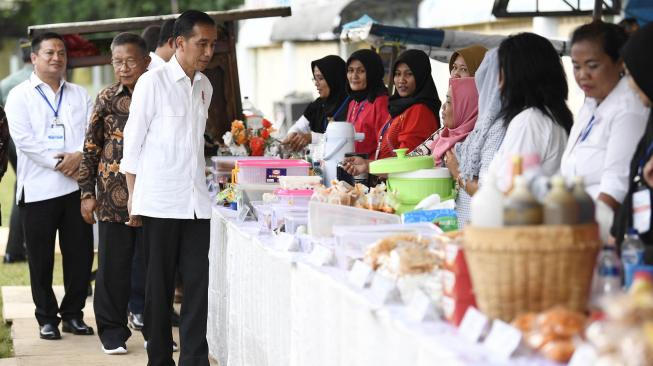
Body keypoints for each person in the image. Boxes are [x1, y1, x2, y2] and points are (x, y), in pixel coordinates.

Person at [120, 10, 217, 365]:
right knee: (157, 289)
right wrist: (133, 199)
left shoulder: (205, 86)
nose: (207, 51)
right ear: (179, 43)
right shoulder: (152, 82)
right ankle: (159, 358)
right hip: (159, 201)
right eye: (201, 43)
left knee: (197, 286)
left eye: (212, 44)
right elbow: (133, 145)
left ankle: (194, 358)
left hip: (195, 203)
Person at [4, 32, 94, 340]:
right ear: (34, 58)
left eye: (61, 53)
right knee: (40, 260)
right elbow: (25, 142)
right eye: (49, 53)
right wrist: (62, 163)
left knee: (80, 256)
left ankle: (73, 315)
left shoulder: (80, 95)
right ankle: (46, 317)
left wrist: (80, 156)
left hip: (75, 190)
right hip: (39, 190)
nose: (56, 58)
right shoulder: (19, 96)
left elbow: (91, 133)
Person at [77, 33, 151, 355]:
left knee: (152, 266)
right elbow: (91, 146)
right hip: (111, 197)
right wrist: (86, 192)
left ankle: (154, 328)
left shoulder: (158, 95)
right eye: (117, 61)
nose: (123, 67)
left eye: (130, 61)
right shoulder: (106, 97)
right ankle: (112, 331)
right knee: (113, 267)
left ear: (146, 62)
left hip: (153, 196)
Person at [561, 22, 648, 213]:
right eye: (576, 66)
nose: (582, 75)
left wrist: (589, 229)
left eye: (592, 66)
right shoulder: (591, 103)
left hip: (601, 222)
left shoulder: (629, 109)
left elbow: (616, 186)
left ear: (619, 63)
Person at [488, 32, 573, 191]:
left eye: (502, 71)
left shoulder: (529, 121)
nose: (499, 84)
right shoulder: (553, 114)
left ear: (519, 75)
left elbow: (513, 188)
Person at [343, 49, 440, 174]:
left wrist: (368, 165)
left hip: (407, 189)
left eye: (409, 74)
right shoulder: (399, 107)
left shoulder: (419, 111)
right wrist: (367, 165)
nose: (401, 80)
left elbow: (407, 162)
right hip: (390, 181)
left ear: (420, 75)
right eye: (397, 74)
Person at [441, 48, 507, 227]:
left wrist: (457, 172)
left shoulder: (493, 127)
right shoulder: (471, 127)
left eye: (464, 69)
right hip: (461, 223)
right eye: (454, 68)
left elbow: (486, 189)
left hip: (479, 227)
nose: (456, 74)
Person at [612, 22, 653, 260]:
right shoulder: (650, 121)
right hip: (639, 251)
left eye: (630, 73)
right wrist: (615, 235)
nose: (629, 84)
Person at [0, 39, 32, 264]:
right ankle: (16, 249)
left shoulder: (6, 83)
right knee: (25, 187)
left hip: (8, 142)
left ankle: (14, 249)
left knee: (20, 186)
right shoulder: (43, 79)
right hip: (28, 141)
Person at [283, 55, 349, 151]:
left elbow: (344, 140)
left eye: (321, 78)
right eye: (315, 78)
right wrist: (292, 134)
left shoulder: (351, 105)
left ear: (334, 78)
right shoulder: (318, 104)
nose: (316, 83)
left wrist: (312, 138)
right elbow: (300, 126)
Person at [411, 77, 478, 166]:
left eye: (449, 102)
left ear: (466, 108)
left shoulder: (472, 148)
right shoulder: (443, 134)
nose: (443, 106)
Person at [345, 49, 390, 159]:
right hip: (354, 171)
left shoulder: (381, 102)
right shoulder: (353, 102)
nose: (354, 76)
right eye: (350, 70)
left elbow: (385, 147)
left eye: (361, 71)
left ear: (372, 73)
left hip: (373, 172)